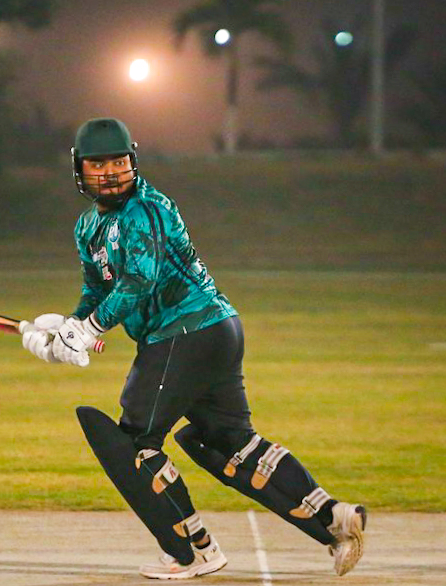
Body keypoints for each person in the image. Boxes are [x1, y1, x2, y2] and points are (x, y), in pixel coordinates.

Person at [20, 118, 367, 579]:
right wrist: (68, 328)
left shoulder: (147, 209)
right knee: (228, 442)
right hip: (208, 332)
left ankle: (194, 550)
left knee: (135, 444)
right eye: (97, 164)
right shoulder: (88, 227)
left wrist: (90, 329)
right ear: (79, 169)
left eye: (117, 162)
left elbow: (139, 280)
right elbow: (97, 289)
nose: (109, 173)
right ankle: (335, 519)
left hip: (185, 331)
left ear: (132, 161)